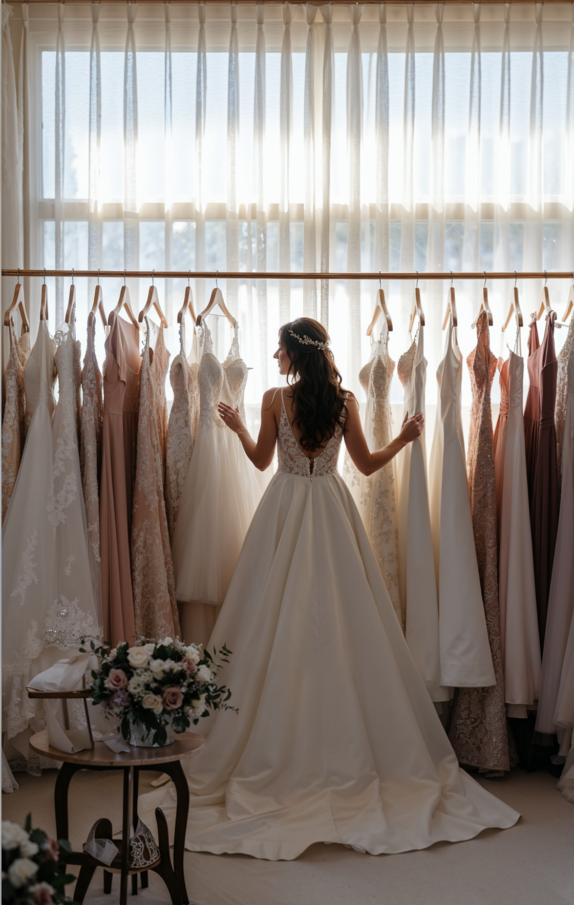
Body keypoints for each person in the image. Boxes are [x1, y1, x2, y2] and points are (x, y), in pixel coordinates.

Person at [139, 318, 519, 860]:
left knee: (272, 627)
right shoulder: (344, 401)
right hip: (332, 508)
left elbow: (260, 461)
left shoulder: (274, 399)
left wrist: (238, 429)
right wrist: (404, 440)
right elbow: (364, 466)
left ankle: (280, 742)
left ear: (296, 353)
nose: (273, 355)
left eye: (280, 348)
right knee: (343, 625)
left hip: (285, 508)